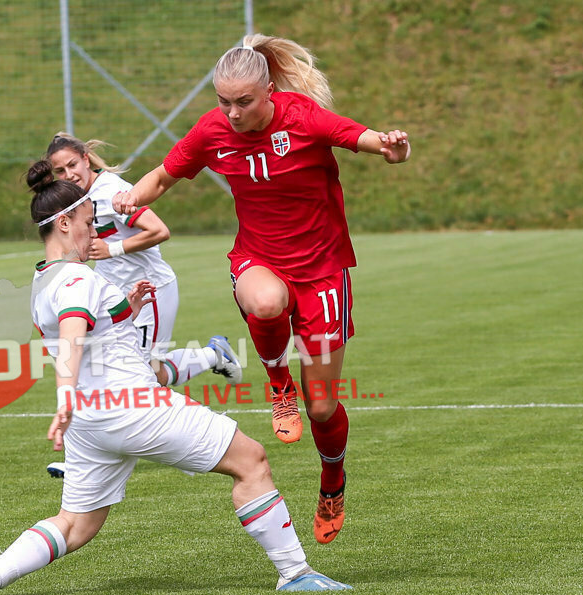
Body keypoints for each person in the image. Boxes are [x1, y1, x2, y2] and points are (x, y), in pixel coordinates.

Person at [0, 161, 351, 595]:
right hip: (133, 407)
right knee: (251, 461)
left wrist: (129, 305)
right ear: (64, 223)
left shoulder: (42, 278)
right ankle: (295, 573)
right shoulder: (76, 278)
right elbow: (72, 333)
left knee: (76, 525)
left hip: (90, 425)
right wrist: (63, 396)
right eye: (90, 224)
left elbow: (90, 325)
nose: (97, 234)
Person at [112, 34, 412, 545]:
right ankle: (278, 384)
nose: (231, 113)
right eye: (223, 101)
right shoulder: (213, 130)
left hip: (322, 270)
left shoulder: (301, 116)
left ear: (269, 90)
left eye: (243, 102)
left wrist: (388, 146)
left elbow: (358, 136)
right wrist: (130, 195)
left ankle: (333, 480)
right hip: (259, 257)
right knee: (266, 302)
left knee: (322, 407)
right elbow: (163, 175)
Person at [43, 132, 242, 479]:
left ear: (86, 159)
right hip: (117, 300)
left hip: (150, 293)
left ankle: (197, 419)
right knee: (100, 373)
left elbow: (159, 230)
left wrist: (113, 250)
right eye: (59, 171)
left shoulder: (111, 193)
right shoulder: (79, 200)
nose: (68, 175)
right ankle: (215, 355)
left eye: (72, 165)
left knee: (143, 375)